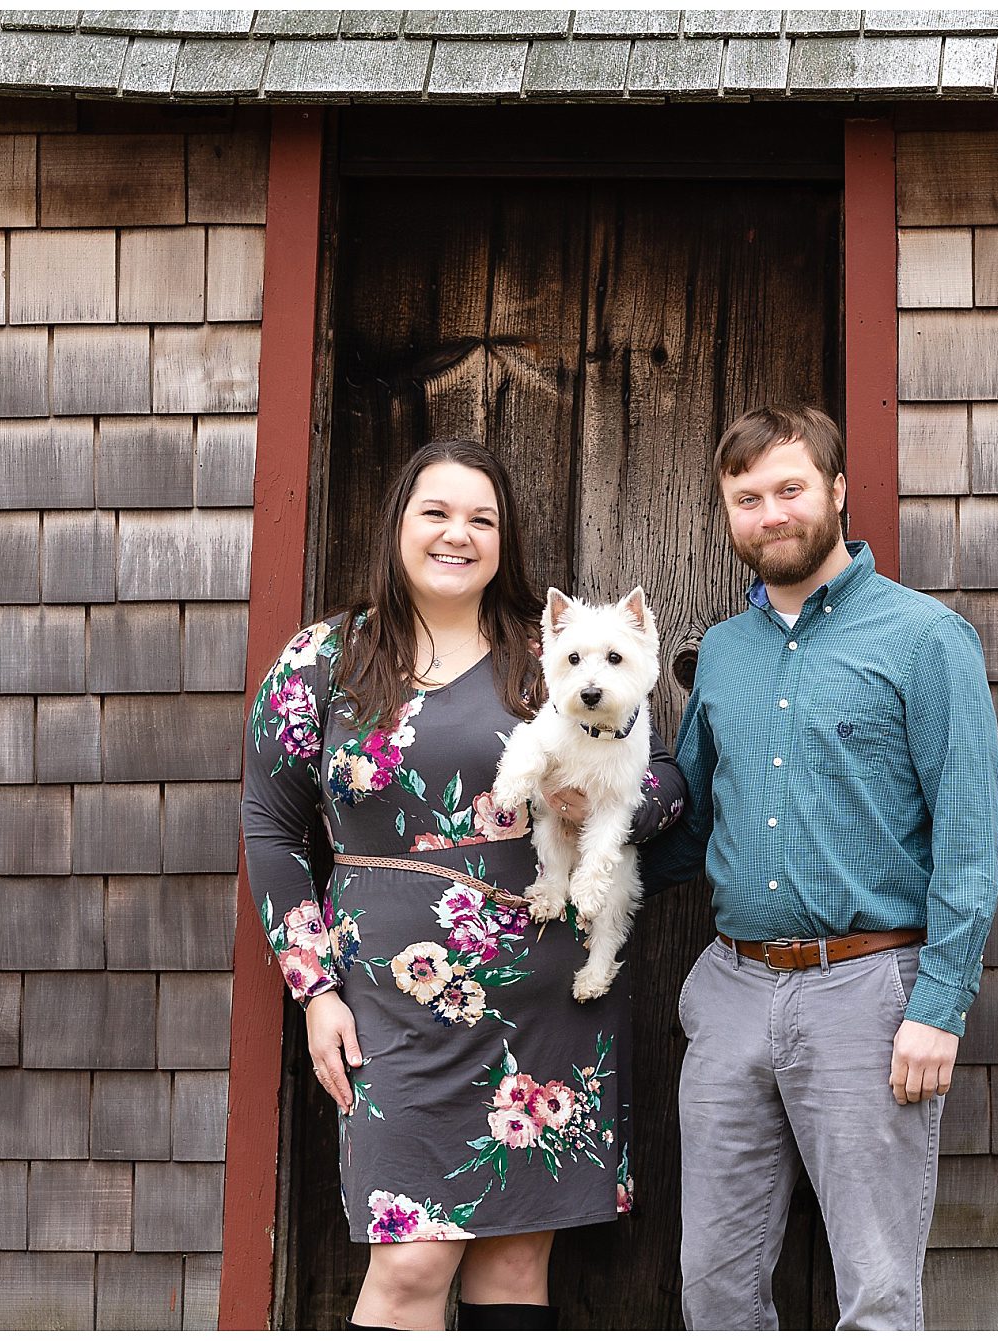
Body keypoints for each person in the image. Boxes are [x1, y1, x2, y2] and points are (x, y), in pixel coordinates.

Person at [243, 439, 684, 1331]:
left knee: (517, 1259)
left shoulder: (551, 652)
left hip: (545, 987)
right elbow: (271, 825)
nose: (459, 534)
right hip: (392, 1001)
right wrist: (312, 987)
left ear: (504, 537)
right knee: (411, 1261)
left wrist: (622, 809)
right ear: (398, 526)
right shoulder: (322, 660)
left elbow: (660, 777)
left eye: (481, 518)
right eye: (436, 513)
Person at [644, 405, 998, 1330]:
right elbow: (690, 827)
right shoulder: (722, 652)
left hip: (870, 990)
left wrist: (939, 1005)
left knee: (877, 1289)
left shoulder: (925, 639)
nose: (771, 514)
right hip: (731, 988)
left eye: (791, 489)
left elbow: (970, 836)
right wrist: (590, 814)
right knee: (712, 1284)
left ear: (838, 491)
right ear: (728, 513)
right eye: (748, 497)